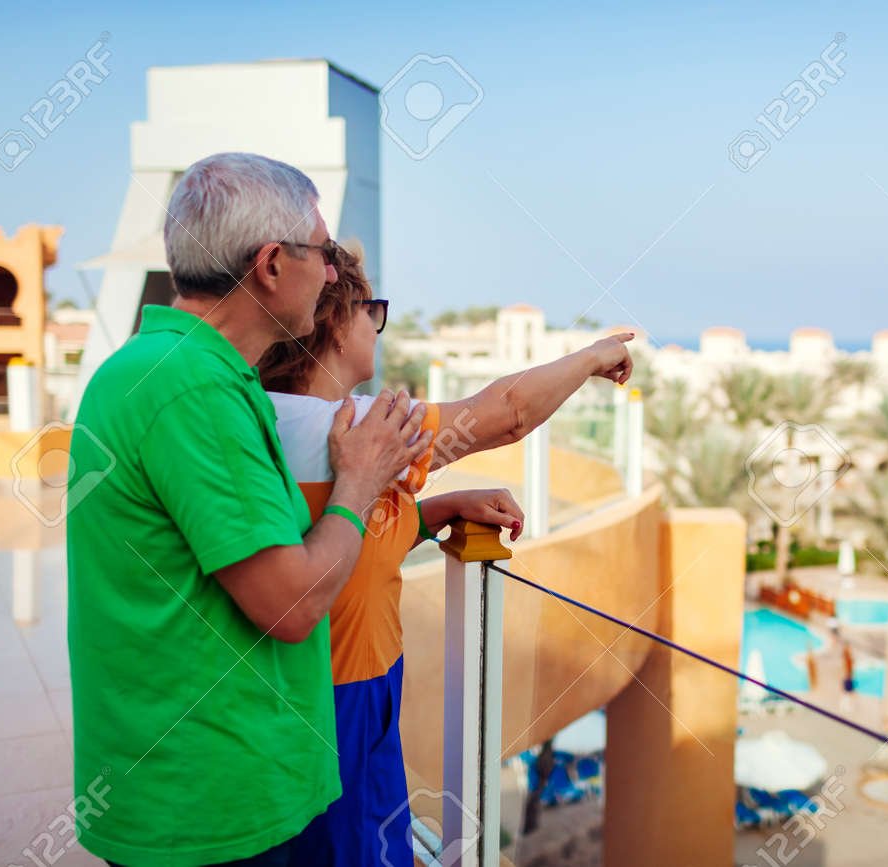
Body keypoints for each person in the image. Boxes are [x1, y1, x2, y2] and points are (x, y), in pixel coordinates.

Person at [67, 153, 430, 866]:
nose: (332, 275)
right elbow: (291, 604)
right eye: (323, 254)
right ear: (271, 264)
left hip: (183, 792)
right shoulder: (194, 392)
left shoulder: (149, 370)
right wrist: (359, 479)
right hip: (212, 812)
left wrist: (429, 511)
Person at [256, 243, 634, 866]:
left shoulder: (260, 422)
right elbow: (506, 415)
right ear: (335, 323)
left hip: (290, 701)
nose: (376, 326)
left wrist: (434, 511)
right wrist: (595, 356)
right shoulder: (356, 427)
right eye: (371, 310)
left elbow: (340, 541)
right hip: (344, 701)